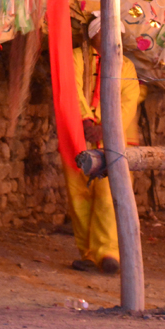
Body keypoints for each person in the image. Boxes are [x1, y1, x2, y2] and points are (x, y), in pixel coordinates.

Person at [67, 17, 139, 274]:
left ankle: (108, 252)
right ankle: (87, 253)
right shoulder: (77, 57)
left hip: (114, 139)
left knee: (109, 196)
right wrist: (85, 120)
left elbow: (128, 102)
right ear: (94, 35)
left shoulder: (126, 66)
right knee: (80, 195)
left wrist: (106, 127)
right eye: (106, 33)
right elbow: (71, 88)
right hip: (78, 133)